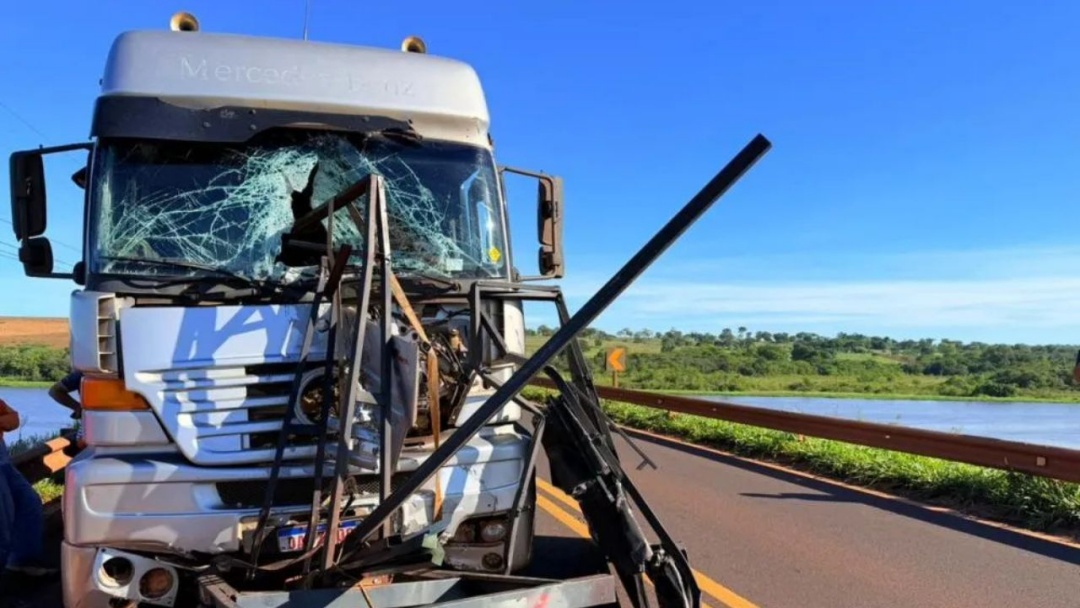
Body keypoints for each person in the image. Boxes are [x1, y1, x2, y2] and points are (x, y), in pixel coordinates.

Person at [0, 398, 55, 594]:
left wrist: (5, 420)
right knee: (3, 523)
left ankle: (22, 561)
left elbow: (13, 419)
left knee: (29, 504)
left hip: (3, 461)